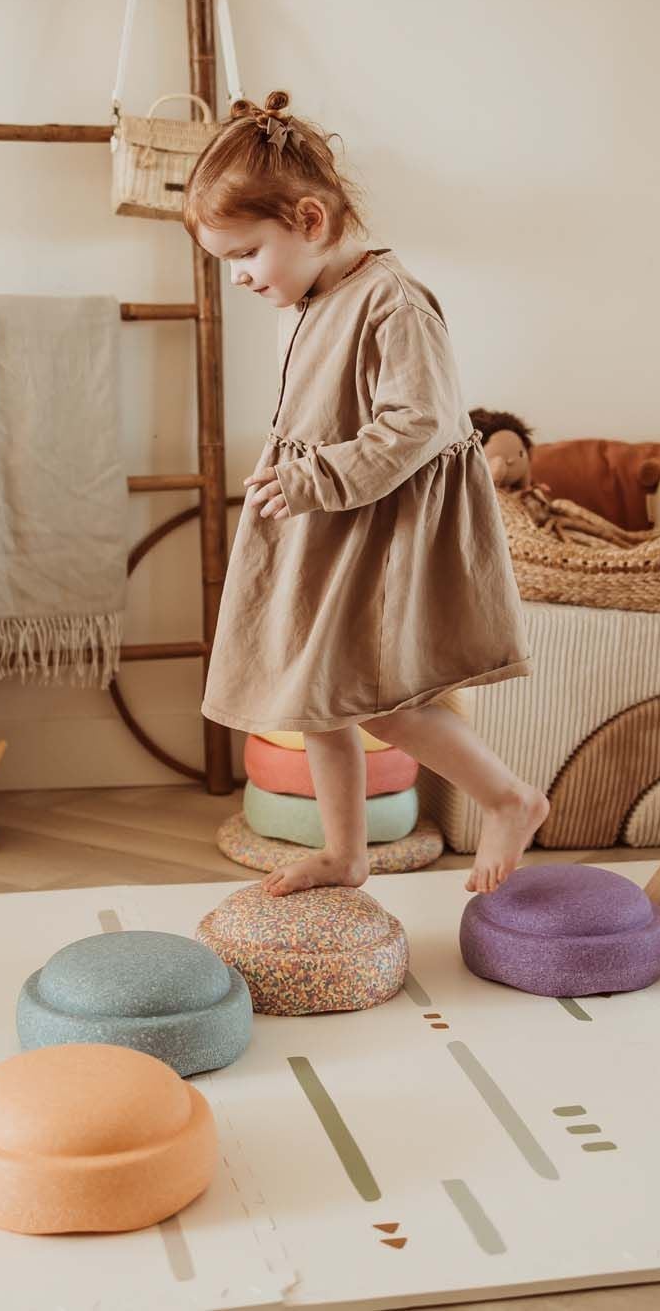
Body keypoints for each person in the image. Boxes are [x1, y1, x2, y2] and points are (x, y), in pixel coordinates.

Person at [184, 91, 547, 895]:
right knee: (316, 696)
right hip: (328, 530)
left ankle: (509, 796)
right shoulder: (312, 293)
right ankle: (346, 852)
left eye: (245, 254)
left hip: (376, 535)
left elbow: (416, 424)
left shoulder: (394, 301)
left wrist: (314, 477)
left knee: (379, 702)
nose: (239, 277)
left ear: (310, 220)